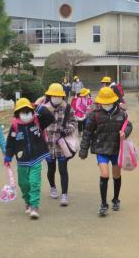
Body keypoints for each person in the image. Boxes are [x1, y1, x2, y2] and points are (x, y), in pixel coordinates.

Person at [79, 87, 132, 217]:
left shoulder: (122, 113)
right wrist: (83, 150)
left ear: (114, 101)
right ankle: (103, 204)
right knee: (104, 174)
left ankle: (115, 199)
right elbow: (87, 133)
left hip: (116, 149)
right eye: (104, 102)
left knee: (116, 176)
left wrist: (124, 133)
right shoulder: (95, 114)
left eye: (108, 102)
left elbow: (129, 125)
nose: (106, 105)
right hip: (101, 149)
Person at [4, 98, 54, 219]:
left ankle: (34, 206)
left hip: (37, 157)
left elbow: (50, 117)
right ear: (17, 113)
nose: (26, 114)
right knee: (24, 183)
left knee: (34, 182)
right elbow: (10, 143)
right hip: (22, 160)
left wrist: (38, 106)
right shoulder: (15, 126)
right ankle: (27, 201)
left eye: (28, 111)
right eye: (22, 111)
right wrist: (8, 156)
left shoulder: (37, 121)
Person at [40, 83, 77, 206]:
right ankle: (53, 187)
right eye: (54, 95)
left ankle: (64, 195)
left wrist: (66, 130)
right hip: (48, 144)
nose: (56, 97)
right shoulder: (43, 108)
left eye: (59, 96)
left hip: (62, 144)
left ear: (62, 96)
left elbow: (74, 122)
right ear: (50, 96)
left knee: (63, 169)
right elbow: (37, 125)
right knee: (51, 169)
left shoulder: (67, 108)